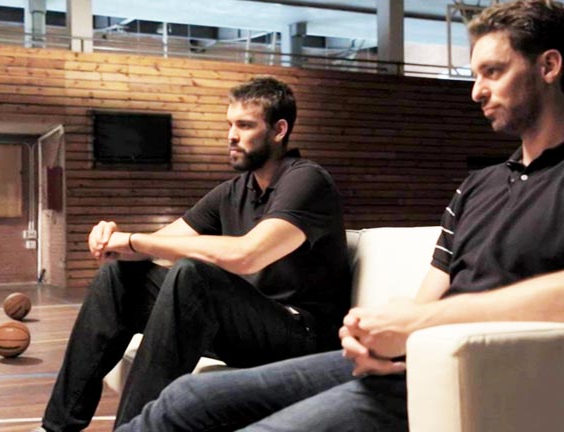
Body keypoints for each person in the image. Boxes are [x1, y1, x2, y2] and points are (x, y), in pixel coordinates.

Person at [115, 1, 564, 431]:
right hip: (416, 359)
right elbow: (431, 297)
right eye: (475, 75)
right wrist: (383, 332)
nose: (476, 92)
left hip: (483, 370)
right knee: (186, 397)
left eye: (493, 72)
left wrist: (422, 325)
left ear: (549, 66)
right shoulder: (477, 186)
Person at [36, 76, 352, 432]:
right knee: (117, 277)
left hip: (300, 334)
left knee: (193, 275)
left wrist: (135, 241)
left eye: (245, 125)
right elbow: (160, 244)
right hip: (244, 327)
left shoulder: (307, 180)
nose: (231, 135)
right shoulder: (234, 191)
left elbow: (248, 255)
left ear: (279, 130)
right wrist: (113, 242)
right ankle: (56, 427)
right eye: (229, 125)